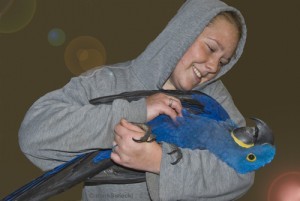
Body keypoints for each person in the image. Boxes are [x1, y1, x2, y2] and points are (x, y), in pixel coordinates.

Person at [18, 0, 254, 200]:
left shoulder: (214, 101)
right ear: (184, 32)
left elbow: (243, 169)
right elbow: (35, 133)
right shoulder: (106, 82)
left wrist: (159, 161)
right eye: (211, 48)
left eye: (224, 62)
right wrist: (137, 111)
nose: (213, 66)